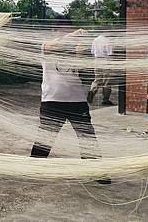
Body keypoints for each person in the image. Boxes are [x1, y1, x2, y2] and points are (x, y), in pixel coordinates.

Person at [30, 16, 110, 184]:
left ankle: (96, 171)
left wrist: (81, 46)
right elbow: (53, 45)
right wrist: (73, 35)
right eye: (64, 30)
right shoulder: (45, 46)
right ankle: (32, 169)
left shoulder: (73, 49)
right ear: (55, 31)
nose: (67, 33)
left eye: (69, 29)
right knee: (45, 139)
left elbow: (81, 66)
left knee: (87, 137)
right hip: (52, 100)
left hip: (76, 99)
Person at [87, 34, 113, 105]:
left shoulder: (95, 40)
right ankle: (106, 99)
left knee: (97, 79)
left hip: (97, 60)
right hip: (105, 60)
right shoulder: (107, 40)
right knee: (106, 81)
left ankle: (92, 92)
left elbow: (92, 52)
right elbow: (109, 53)